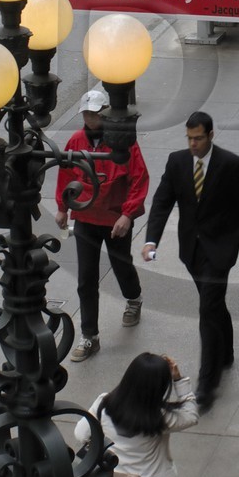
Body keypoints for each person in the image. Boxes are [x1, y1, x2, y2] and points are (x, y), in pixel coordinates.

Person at [142, 111, 239, 412]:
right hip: (192, 249)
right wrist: (151, 239)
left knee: (206, 309)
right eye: (189, 138)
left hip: (221, 248)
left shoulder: (231, 165)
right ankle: (227, 350)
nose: (193, 144)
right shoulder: (176, 162)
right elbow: (162, 201)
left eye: (198, 138)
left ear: (210, 135)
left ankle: (208, 383)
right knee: (213, 304)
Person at [55, 89, 149, 362]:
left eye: (94, 113)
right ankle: (90, 336)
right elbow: (66, 174)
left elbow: (139, 179)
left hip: (115, 220)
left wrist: (127, 215)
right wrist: (63, 207)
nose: (90, 117)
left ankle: (134, 299)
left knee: (122, 266)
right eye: (86, 113)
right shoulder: (75, 141)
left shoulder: (124, 144)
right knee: (86, 279)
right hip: (86, 218)